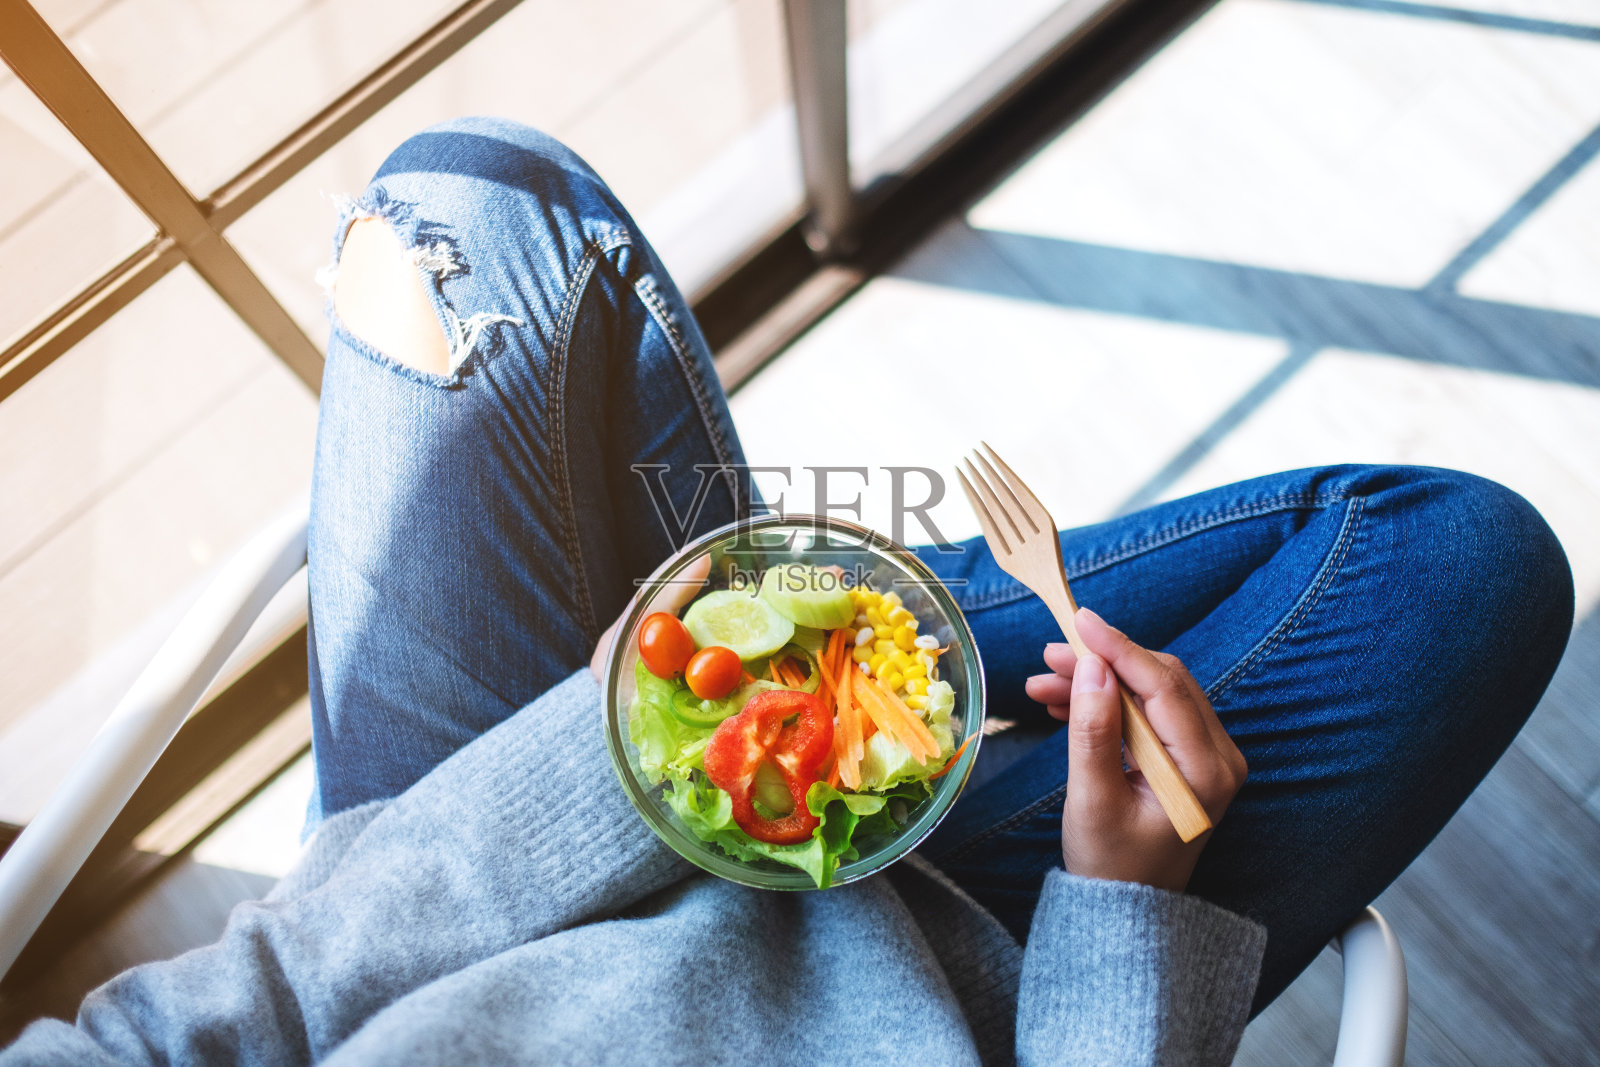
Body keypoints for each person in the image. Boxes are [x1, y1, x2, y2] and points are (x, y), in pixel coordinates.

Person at [2, 118, 1572, 1066]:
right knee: (1457, 559)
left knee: (468, 215)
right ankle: (876, 665)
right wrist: (1122, 929)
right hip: (951, 992)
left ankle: (856, 666)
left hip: (442, 885)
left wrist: (612, 748)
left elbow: (230, 1016)